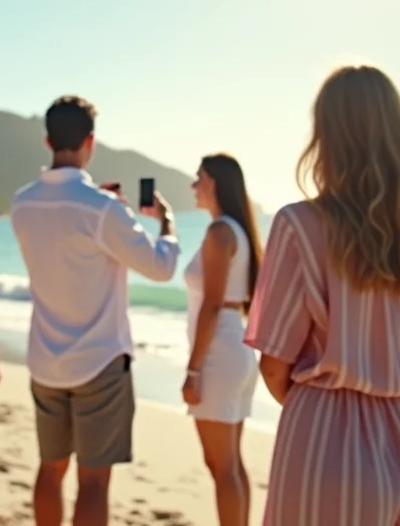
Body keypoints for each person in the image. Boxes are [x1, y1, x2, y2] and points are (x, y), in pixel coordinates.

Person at [244, 65, 400, 526]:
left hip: (330, 441)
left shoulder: (299, 225)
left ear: (325, 135)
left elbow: (275, 363)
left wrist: (323, 411)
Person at [10, 95, 181, 526]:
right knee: (93, 483)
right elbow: (160, 267)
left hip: (46, 361)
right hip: (99, 362)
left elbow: (62, 234)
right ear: (91, 142)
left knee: (50, 470)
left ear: (48, 140)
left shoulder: (21, 203)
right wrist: (168, 225)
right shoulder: (103, 210)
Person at [181, 153, 263, 526]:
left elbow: (212, 305)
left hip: (220, 354)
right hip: (239, 351)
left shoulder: (220, 233)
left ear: (212, 182)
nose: (194, 185)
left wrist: (194, 368)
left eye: (198, 178)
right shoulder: (239, 231)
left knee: (222, 465)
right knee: (229, 462)